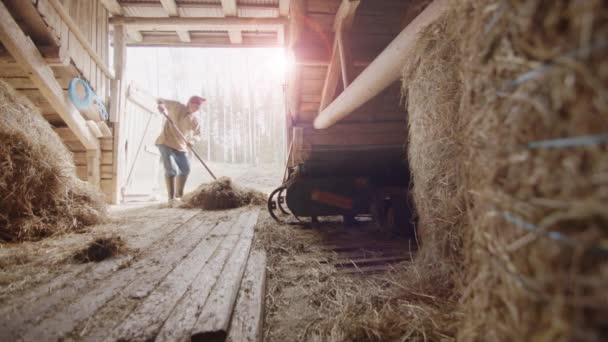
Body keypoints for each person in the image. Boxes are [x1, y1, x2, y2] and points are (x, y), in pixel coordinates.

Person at [155, 95, 205, 207]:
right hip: (165, 142)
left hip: (181, 146)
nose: (196, 108)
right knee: (171, 170)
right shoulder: (176, 106)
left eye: (198, 107)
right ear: (189, 103)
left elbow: (199, 134)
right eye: (195, 105)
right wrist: (161, 106)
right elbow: (160, 99)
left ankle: (179, 195)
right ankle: (171, 199)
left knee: (185, 169)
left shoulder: (194, 120)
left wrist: (192, 141)